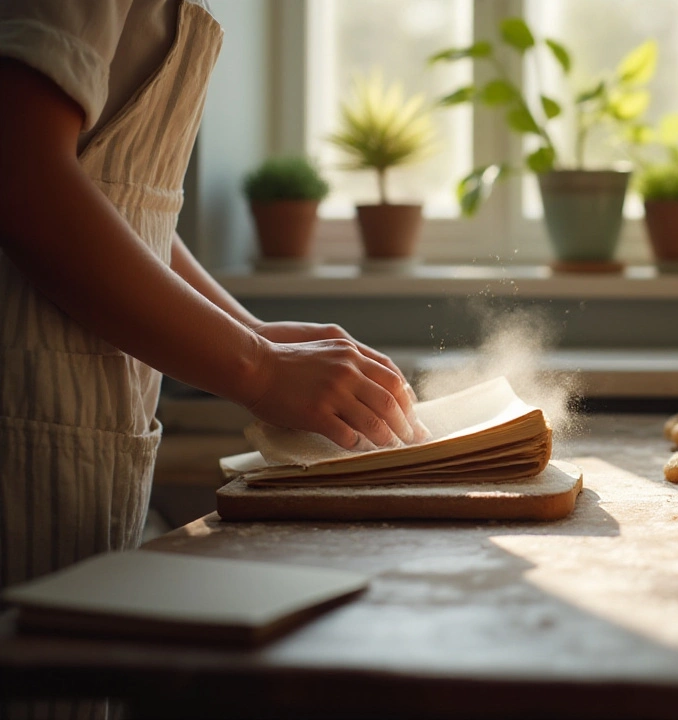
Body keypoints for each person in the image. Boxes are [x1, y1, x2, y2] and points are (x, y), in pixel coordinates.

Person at [0, 0, 422, 591]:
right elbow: (22, 173)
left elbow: (122, 204)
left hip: (82, 418)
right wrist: (260, 369)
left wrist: (256, 334)